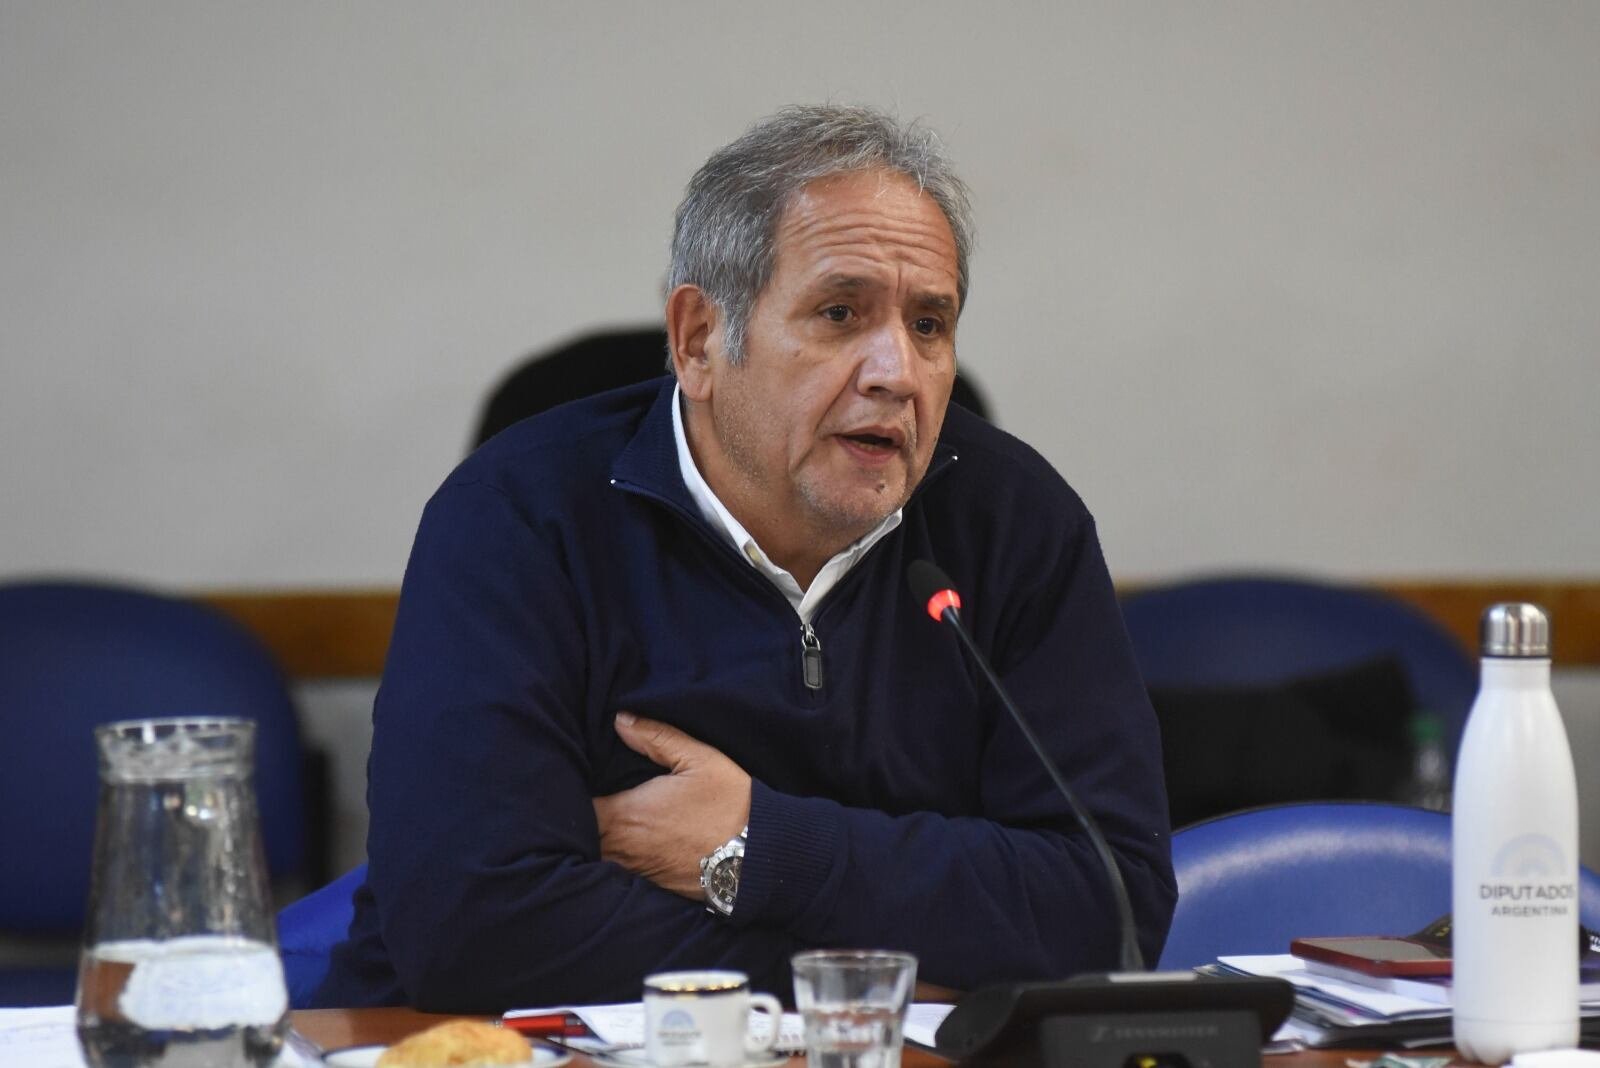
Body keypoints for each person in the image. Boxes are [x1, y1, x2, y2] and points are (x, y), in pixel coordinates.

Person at [319, 104, 1175, 1012]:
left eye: (930, 325)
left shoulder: (1016, 522)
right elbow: (473, 926)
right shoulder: (520, 518)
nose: (897, 372)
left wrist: (761, 847)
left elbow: (1110, 907)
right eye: (840, 314)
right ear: (698, 340)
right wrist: (868, 982)